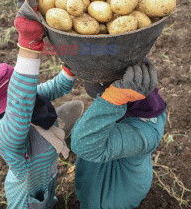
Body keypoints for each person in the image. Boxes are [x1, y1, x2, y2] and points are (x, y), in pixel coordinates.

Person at [0, 0, 84, 209]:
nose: (27, 94)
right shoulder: (6, 137)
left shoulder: (30, 100)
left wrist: (71, 67)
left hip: (48, 177)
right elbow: (21, 102)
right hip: (26, 196)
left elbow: (55, 86)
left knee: (49, 198)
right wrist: (28, 44)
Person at [71, 61, 167, 209]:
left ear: (125, 95)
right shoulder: (141, 106)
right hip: (100, 185)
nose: (100, 99)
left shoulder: (144, 134)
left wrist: (113, 98)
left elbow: (83, 145)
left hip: (110, 200)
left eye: (105, 95)